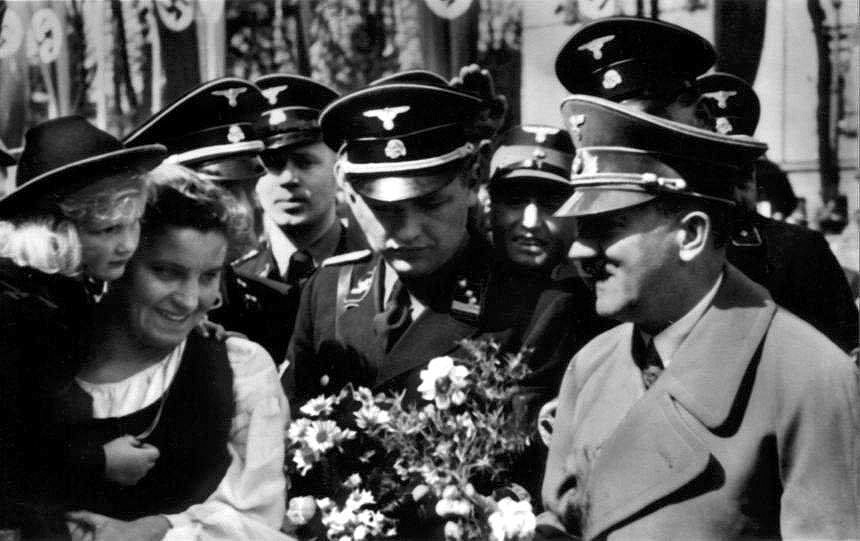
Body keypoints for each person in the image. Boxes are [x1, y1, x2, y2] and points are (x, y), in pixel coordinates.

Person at [538, 94, 859, 540]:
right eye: (580, 229)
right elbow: (561, 521)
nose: (578, 250)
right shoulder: (591, 365)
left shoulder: (810, 378)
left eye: (606, 227)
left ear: (691, 234)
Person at [39, 164, 290, 541]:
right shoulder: (40, 356)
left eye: (208, 276)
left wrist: (151, 531)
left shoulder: (238, 369)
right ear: (122, 260)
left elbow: (257, 518)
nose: (189, 300)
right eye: (166, 272)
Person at [0, 116, 165, 539]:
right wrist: (99, 461)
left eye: (133, 223)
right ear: (55, 232)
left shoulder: (64, 292)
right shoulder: (17, 309)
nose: (126, 244)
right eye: (107, 229)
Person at [695, 72, 859, 352]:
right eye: (715, 172)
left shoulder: (800, 249)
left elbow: (843, 349)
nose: (733, 190)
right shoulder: (663, 245)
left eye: (742, 174)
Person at [225, 73, 366, 364]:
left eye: (304, 162)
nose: (288, 178)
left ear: (338, 171)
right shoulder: (235, 281)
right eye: (273, 164)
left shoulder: (372, 271)